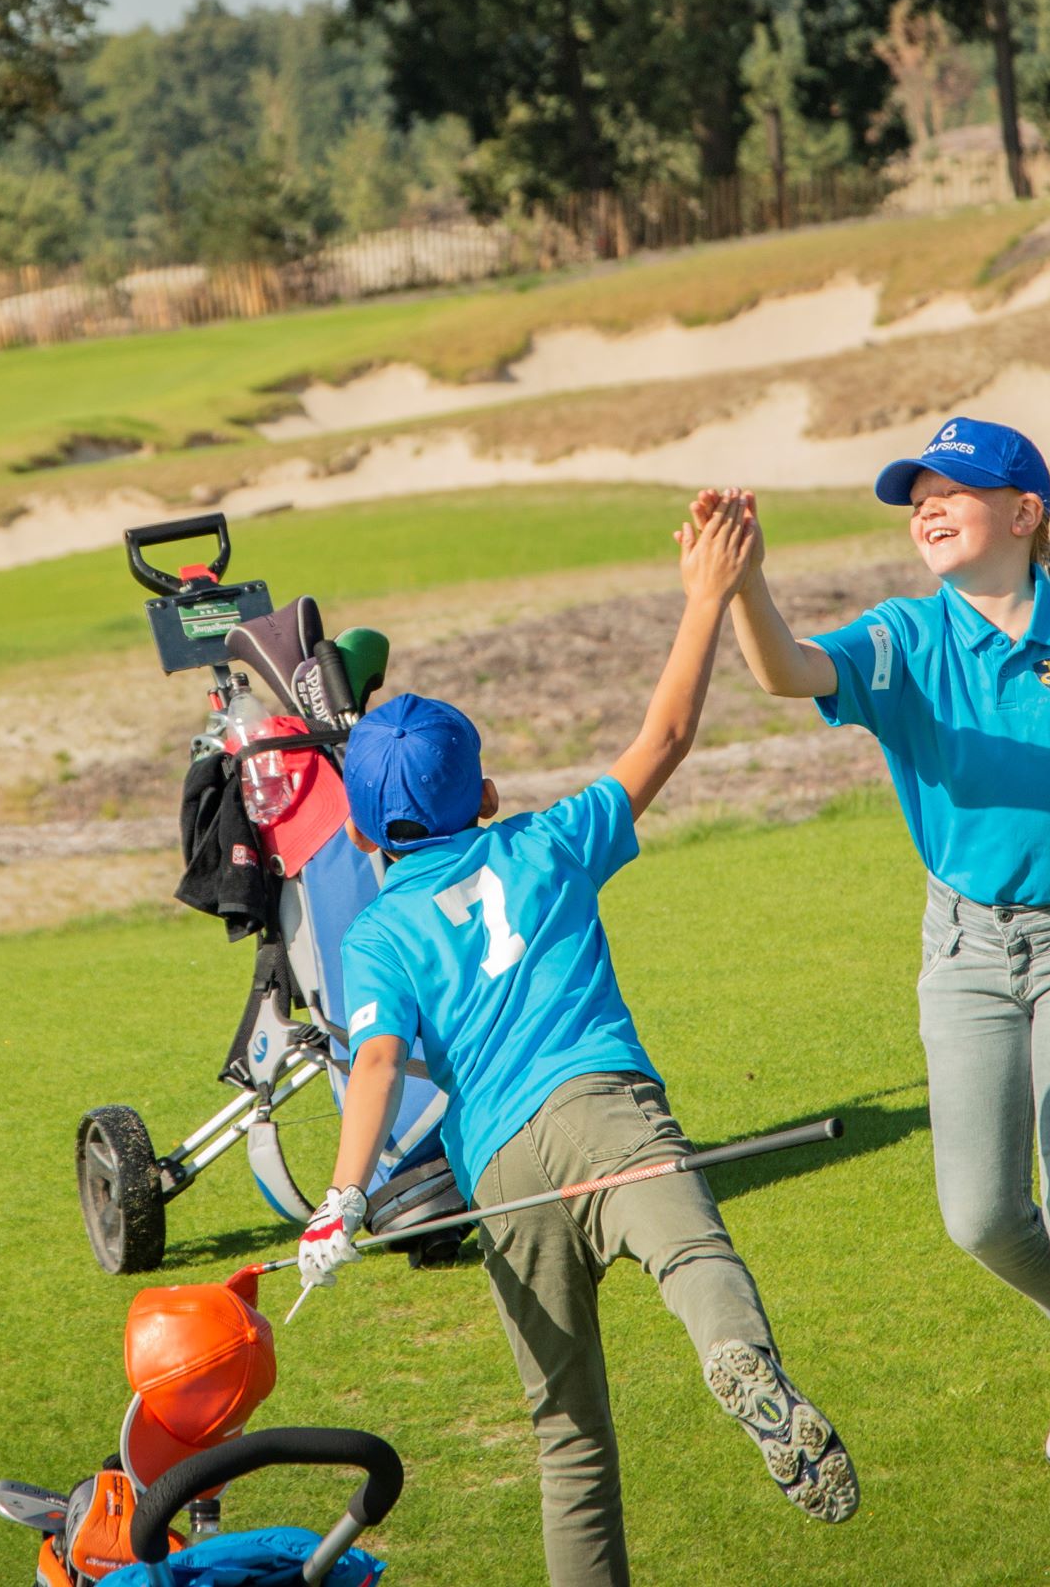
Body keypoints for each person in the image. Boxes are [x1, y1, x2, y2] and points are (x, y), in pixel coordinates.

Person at [695, 420, 1050, 1579]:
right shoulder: (905, 640)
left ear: (1025, 512)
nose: (928, 507)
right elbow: (785, 670)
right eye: (917, 496)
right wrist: (746, 582)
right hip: (963, 946)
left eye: (953, 489)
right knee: (981, 1213)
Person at [294, 494, 857, 1587]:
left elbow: (377, 1063)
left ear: (360, 833)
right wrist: (706, 597)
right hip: (602, 1108)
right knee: (695, 1258)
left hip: (500, 1173)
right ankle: (737, 1359)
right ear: (487, 794)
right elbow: (666, 737)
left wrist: (342, 1198)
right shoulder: (549, 840)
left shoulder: (377, 933)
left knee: (568, 1439)